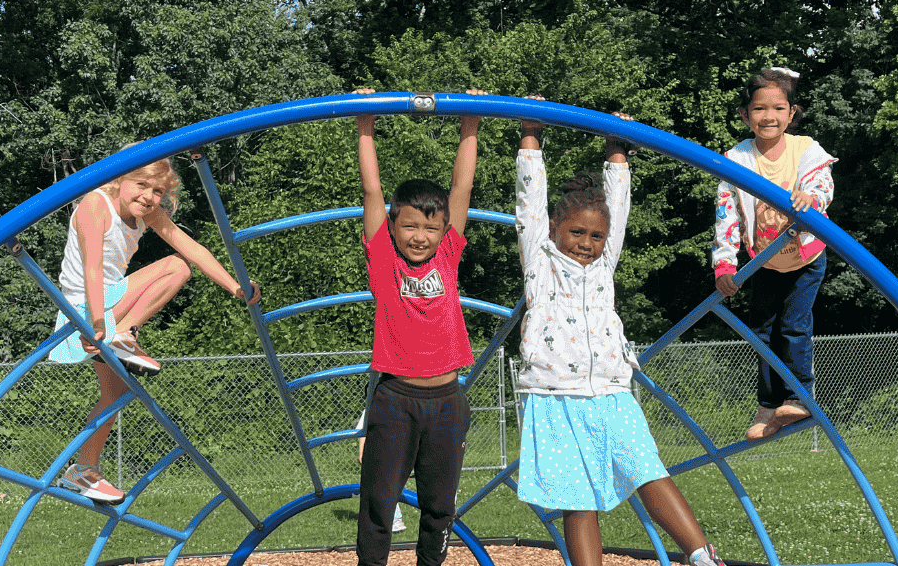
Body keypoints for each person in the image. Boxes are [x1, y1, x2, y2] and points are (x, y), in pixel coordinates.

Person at [511, 102, 726, 566]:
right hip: (553, 395)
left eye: (595, 236)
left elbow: (619, 208)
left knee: (647, 467)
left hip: (610, 390)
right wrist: (530, 135)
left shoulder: (605, 265)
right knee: (577, 496)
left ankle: (701, 555)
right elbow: (529, 200)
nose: (586, 244)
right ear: (553, 229)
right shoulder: (541, 262)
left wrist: (617, 148)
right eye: (576, 232)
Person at [49, 148, 261, 505]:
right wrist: (98, 324)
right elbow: (92, 270)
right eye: (141, 185)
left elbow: (190, 246)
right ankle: (124, 333)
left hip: (108, 310)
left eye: (158, 192)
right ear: (119, 180)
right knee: (175, 268)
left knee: (114, 395)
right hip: (88, 310)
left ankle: (82, 470)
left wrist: (235, 288)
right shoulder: (95, 205)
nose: (148, 197)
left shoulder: (148, 214)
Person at [352, 88, 483, 566]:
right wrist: (365, 121)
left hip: (448, 400)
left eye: (431, 228)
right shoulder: (384, 258)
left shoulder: (448, 253)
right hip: (396, 400)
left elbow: (461, 190)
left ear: (444, 230)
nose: (420, 237)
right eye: (409, 226)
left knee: (439, 507)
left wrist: (471, 122)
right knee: (379, 506)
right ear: (393, 226)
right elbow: (372, 191)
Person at [711, 67, 837, 441]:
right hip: (761, 261)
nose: (769, 117)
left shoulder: (805, 149)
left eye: (778, 108)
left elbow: (823, 184)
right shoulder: (736, 159)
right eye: (759, 109)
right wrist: (724, 262)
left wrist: (811, 198)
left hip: (804, 258)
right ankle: (769, 407)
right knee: (761, 333)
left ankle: (800, 398)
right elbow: (726, 212)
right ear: (744, 115)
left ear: (792, 113)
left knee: (794, 326)